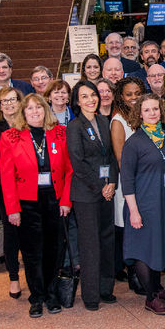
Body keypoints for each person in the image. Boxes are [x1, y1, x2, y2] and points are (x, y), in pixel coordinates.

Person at [0, 93, 73, 318]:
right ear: (23, 112)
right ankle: (37, 297)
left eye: (38, 107)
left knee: (54, 250)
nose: (34, 112)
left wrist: (66, 201)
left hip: (55, 199)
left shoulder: (60, 133)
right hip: (26, 202)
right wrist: (12, 209)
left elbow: (69, 170)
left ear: (45, 109)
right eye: (29, 108)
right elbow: (6, 176)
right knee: (32, 253)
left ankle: (51, 295)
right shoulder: (9, 136)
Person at [121, 93, 165, 315]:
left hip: (163, 201)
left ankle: (157, 287)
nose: (152, 113)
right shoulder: (134, 142)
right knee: (144, 250)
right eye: (147, 110)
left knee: (159, 245)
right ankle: (150, 297)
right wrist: (134, 212)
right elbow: (126, 180)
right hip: (143, 204)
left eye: (155, 109)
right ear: (139, 114)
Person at [67, 81, 118, 311]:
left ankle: (106, 289)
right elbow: (78, 163)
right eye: (84, 96)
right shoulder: (74, 126)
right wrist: (101, 186)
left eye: (93, 95)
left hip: (107, 190)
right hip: (86, 193)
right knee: (90, 244)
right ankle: (90, 294)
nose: (91, 99)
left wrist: (112, 182)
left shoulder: (104, 121)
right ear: (77, 101)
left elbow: (113, 156)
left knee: (107, 239)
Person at [110, 77, 145, 293]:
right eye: (129, 94)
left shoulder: (145, 116)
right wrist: (136, 185)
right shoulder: (118, 121)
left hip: (146, 184)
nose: (134, 98)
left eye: (137, 93)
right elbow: (121, 159)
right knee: (129, 230)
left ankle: (144, 270)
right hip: (129, 185)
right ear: (121, 97)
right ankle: (133, 273)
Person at [0, 87, 25, 299]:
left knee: (30, 235)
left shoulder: (29, 125)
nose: (9, 104)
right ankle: (14, 278)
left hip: (30, 188)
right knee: (12, 236)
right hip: (7, 190)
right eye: (4, 101)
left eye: (13, 100)